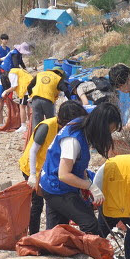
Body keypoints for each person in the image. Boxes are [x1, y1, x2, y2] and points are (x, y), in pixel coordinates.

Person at [38, 103, 123, 234]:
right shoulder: (73, 140)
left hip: (57, 183)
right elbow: (64, 175)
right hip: (56, 187)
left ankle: (57, 251)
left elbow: (78, 163)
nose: (108, 136)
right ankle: (92, 253)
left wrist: (84, 181)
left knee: (57, 232)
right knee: (90, 224)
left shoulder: (83, 123)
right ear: (101, 126)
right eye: (108, 132)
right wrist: (90, 186)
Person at [20, 101, 87, 235]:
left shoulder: (69, 130)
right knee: (37, 204)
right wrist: (32, 175)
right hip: (33, 167)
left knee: (53, 200)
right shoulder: (47, 126)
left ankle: (52, 234)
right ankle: (34, 235)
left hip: (49, 168)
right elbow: (33, 151)